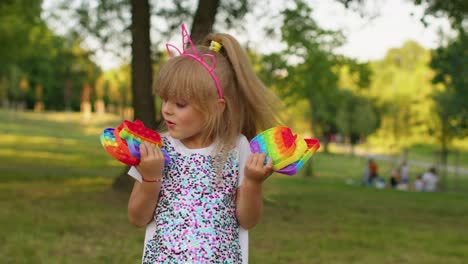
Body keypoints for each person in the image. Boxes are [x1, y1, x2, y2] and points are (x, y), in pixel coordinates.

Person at [126, 24, 282, 263]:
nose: (167, 109)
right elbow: (137, 218)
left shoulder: (236, 147)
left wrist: (252, 182)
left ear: (216, 108)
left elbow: (248, 221)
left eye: (179, 103)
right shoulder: (155, 149)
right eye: (164, 99)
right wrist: (150, 178)